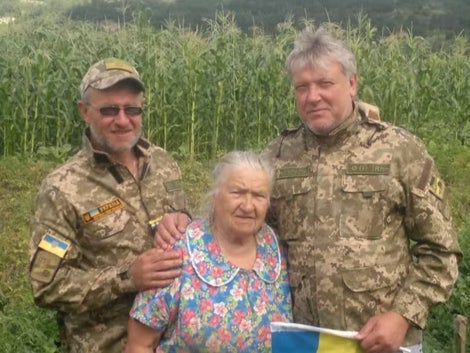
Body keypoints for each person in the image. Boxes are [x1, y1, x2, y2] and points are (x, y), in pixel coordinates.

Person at [155, 27, 462, 353]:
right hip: (301, 341)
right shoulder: (277, 156)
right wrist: (181, 223)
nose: (313, 96)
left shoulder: (400, 151)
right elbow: (237, 224)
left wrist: (403, 315)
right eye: (302, 87)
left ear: (352, 83)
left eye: (325, 84)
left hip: (380, 342)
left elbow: (442, 250)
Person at [28, 58, 187, 353]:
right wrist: (127, 277)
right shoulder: (61, 189)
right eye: (109, 110)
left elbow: (182, 222)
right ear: (84, 111)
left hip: (174, 340)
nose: (123, 120)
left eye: (132, 109)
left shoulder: (164, 163)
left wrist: (184, 222)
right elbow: (46, 285)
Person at [125, 151, 292, 353]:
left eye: (258, 195)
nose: (248, 206)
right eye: (237, 192)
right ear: (215, 195)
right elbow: (140, 344)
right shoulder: (180, 252)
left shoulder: (276, 250)